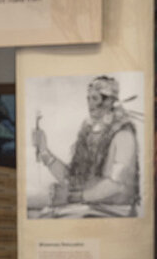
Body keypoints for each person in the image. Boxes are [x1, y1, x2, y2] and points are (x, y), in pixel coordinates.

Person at [32, 75, 139, 215]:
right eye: (88, 99)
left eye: (95, 98)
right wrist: (44, 150)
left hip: (115, 212)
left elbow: (116, 185)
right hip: (88, 208)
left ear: (109, 102)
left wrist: (72, 197)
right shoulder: (87, 134)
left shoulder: (123, 134)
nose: (90, 105)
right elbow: (72, 179)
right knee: (46, 215)